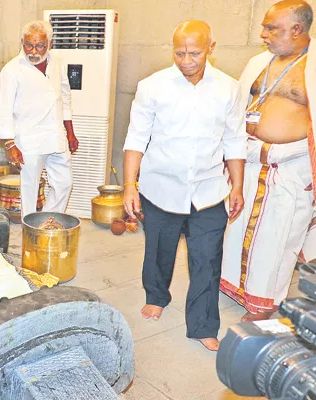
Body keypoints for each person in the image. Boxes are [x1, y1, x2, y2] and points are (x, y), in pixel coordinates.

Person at [122, 21, 246, 351]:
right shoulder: (153, 86)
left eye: (195, 52)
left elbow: (235, 140)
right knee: (159, 251)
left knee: (206, 259)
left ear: (211, 47)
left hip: (209, 189)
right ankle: (157, 296)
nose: (186, 59)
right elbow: (136, 137)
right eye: (179, 52)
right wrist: (129, 186)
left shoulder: (229, 88)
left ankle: (203, 325)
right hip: (161, 187)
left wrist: (237, 186)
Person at [220, 0, 316, 322]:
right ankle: (234, 285)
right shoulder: (259, 62)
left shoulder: (313, 66)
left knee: (278, 240)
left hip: (289, 169)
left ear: (297, 30)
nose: (263, 34)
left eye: (271, 28)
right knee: (236, 230)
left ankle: (265, 304)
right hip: (248, 163)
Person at [0, 20, 78, 218]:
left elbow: (64, 96)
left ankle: (47, 222)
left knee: (64, 183)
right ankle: (29, 231)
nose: (33, 51)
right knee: (29, 191)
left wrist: (71, 132)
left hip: (56, 135)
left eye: (39, 45)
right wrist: (9, 144)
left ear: (50, 43)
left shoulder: (56, 62)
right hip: (28, 140)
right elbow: (3, 110)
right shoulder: (11, 70)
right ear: (21, 42)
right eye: (28, 45)